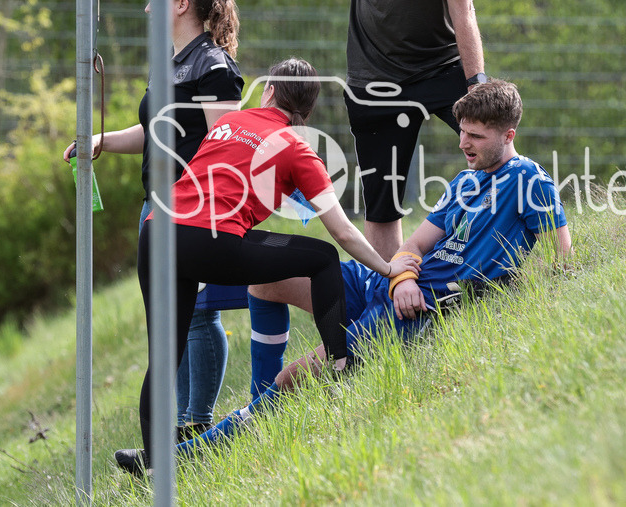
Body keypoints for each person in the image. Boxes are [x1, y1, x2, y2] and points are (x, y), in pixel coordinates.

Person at [174, 79, 572, 457]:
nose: (463, 143)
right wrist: (403, 278)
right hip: (395, 285)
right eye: (462, 132)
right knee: (266, 281)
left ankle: (201, 450)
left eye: (476, 136)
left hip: (419, 308)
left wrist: (515, 294)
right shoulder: (465, 181)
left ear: (508, 135)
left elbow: (562, 258)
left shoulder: (529, 180)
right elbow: (414, 245)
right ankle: (258, 403)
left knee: (295, 376)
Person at [115, 58, 420, 476]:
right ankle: (341, 362)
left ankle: (154, 464)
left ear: (270, 91)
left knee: (164, 355)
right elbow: (343, 233)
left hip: (156, 232)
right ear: (307, 110)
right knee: (323, 258)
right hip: (211, 240)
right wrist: (388, 269)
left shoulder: (229, 123)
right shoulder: (297, 148)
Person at [64, 0, 242, 440]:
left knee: (198, 312)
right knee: (167, 320)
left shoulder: (213, 66)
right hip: (156, 206)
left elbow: (226, 145)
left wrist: (197, 203)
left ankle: (196, 426)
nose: (147, 8)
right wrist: (100, 140)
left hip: (192, 208)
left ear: (182, 5)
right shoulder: (168, 61)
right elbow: (154, 131)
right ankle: (174, 432)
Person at [323, 0, 487, 259]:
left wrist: (477, 85)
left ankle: (523, 247)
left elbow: (463, 10)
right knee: (381, 204)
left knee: (494, 149)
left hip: (440, 67)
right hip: (373, 76)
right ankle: (391, 289)